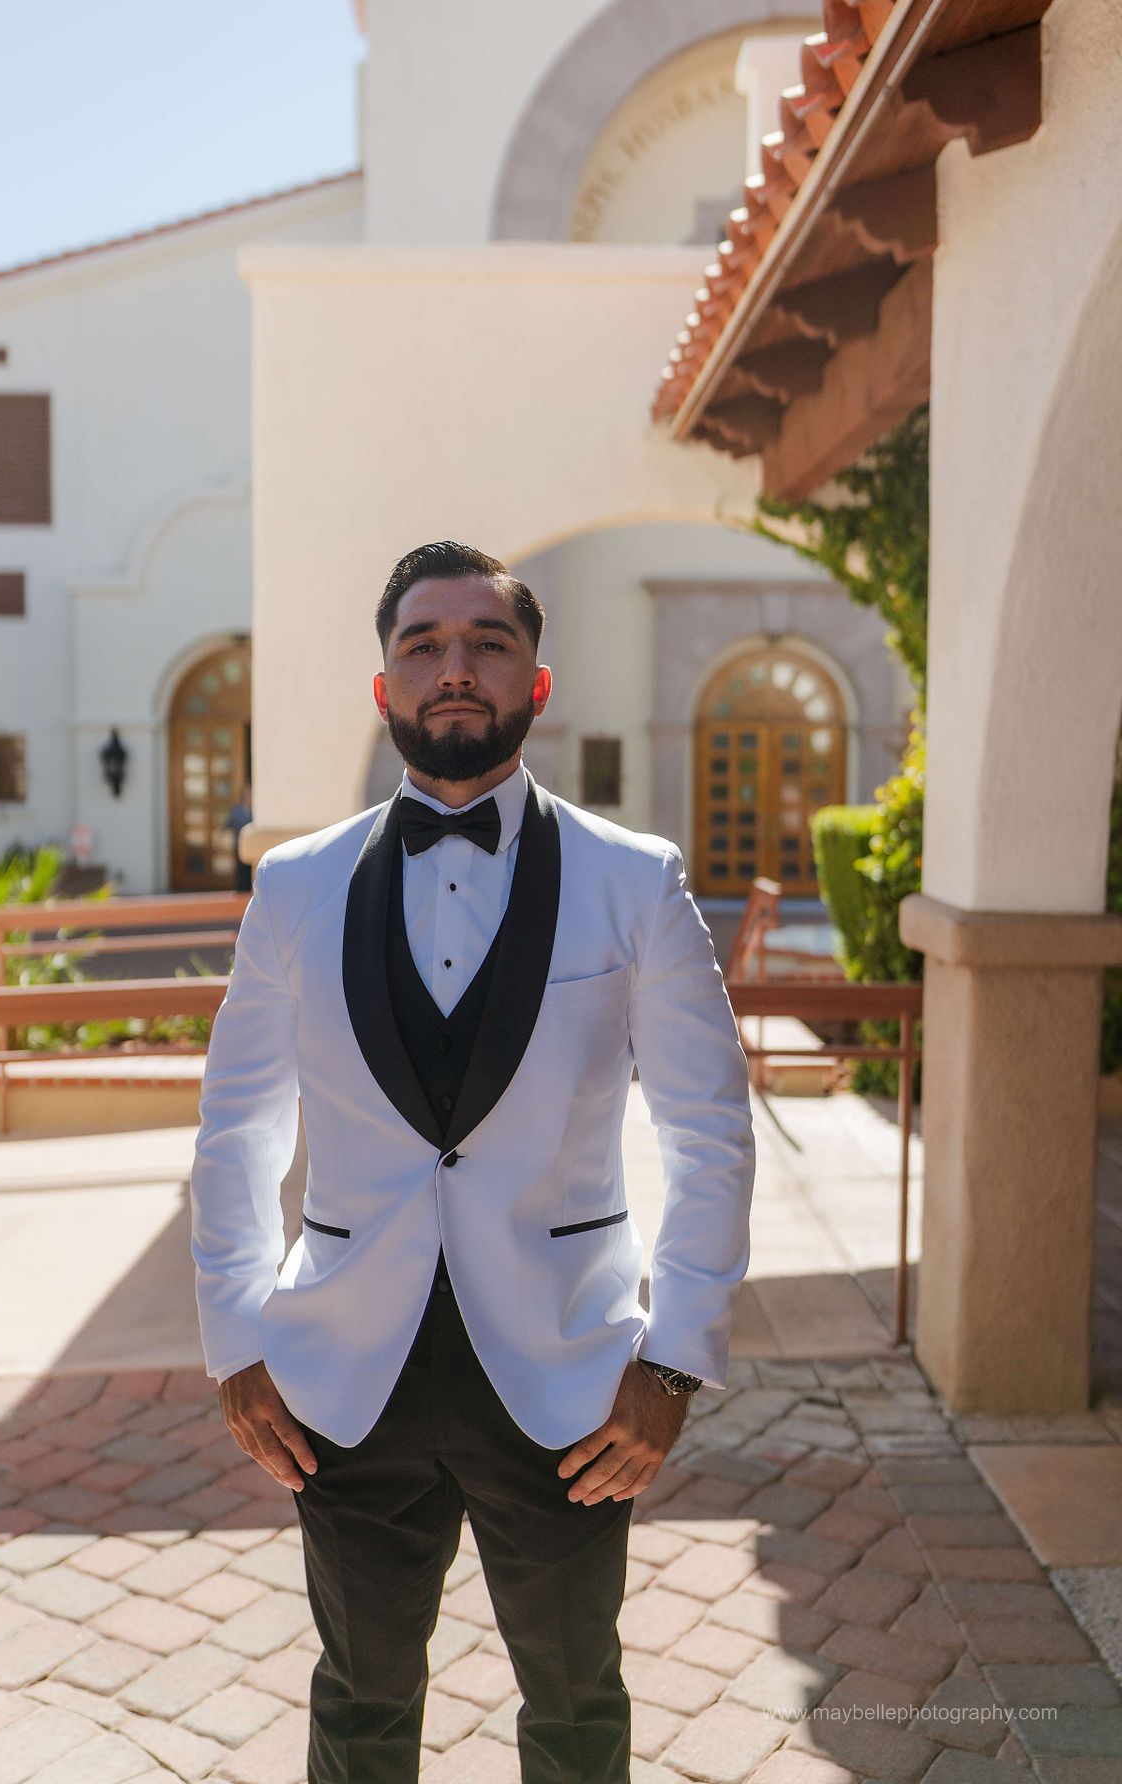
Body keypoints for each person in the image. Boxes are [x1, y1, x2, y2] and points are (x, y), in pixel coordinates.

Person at [188, 541, 756, 1784]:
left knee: (572, 1703)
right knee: (360, 1700)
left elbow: (710, 1131)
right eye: (423, 645)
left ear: (537, 686)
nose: (456, 668)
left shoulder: (635, 880)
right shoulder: (293, 886)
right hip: (343, 1378)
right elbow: (238, 1127)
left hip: (567, 1378)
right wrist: (236, 1339)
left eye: (487, 644)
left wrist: (675, 1360)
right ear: (383, 689)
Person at [225, 781, 253, 892]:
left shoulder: (257, 809)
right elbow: (229, 823)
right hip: (239, 845)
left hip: (251, 846)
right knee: (241, 872)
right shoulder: (237, 810)